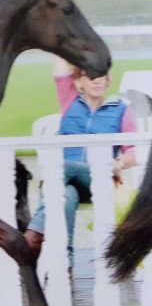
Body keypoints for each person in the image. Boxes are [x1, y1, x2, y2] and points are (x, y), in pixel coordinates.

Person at [24, 58, 137, 266]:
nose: (96, 80)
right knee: (65, 195)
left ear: (108, 80)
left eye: (101, 75)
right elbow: (60, 66)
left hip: (100, 180)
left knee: (59, 169)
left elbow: (134, 152)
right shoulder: (70, 102)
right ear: (78, 81)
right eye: (88, 75)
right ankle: (65, 264)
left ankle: (35, 232)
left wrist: (119, 163)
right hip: (66, 183)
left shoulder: (121, 110)